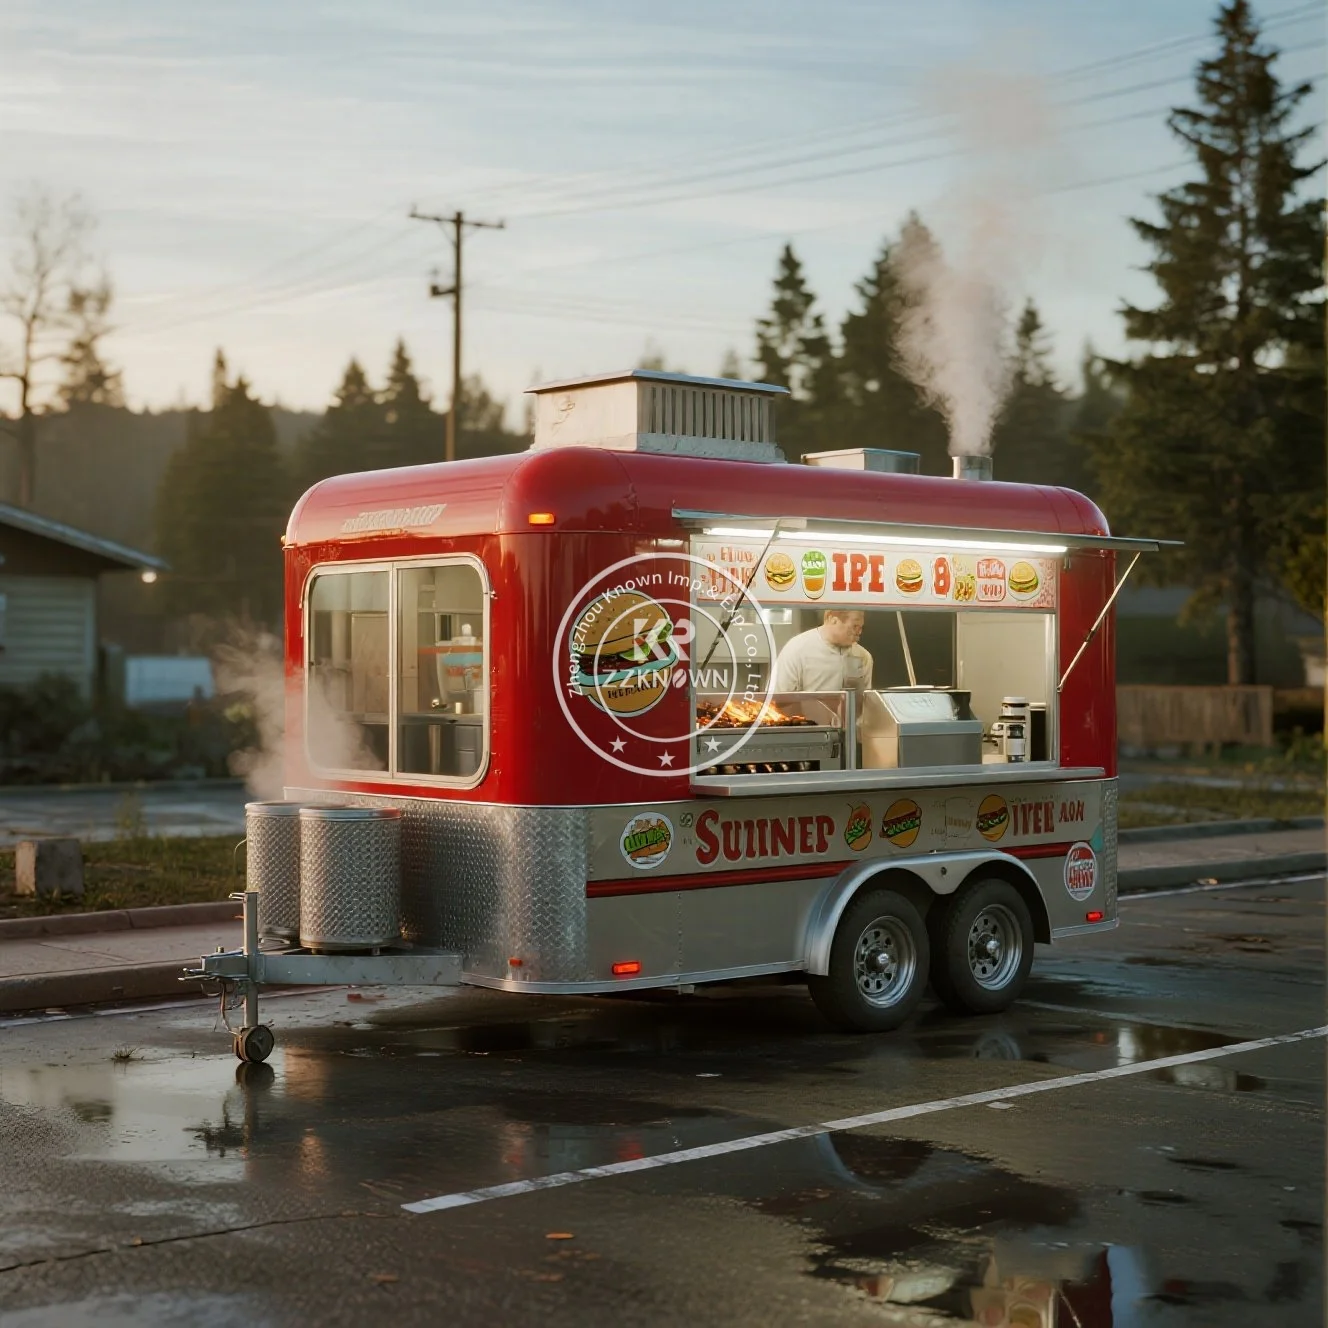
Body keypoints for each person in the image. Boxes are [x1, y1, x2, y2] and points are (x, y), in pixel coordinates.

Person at [773, 609, 873, 699]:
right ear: (832, 618)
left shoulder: (863, 657)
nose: (859, 632)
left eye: (861, 627)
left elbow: (864, 704)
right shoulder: (797, 650)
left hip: (850, 719)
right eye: (855, 626)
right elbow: (778, 701)